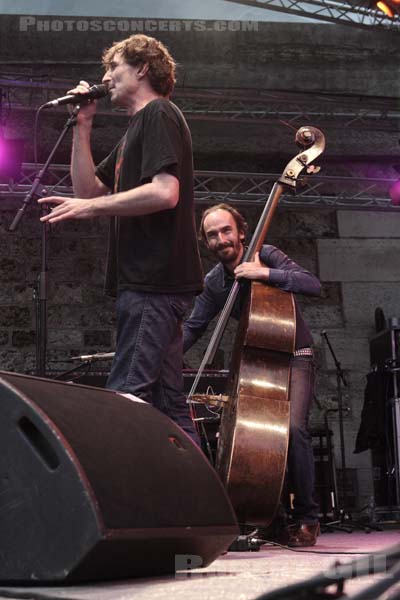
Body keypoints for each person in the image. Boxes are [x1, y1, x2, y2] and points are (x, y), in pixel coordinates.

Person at [39, 34, 203, 444]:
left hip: (154, 282)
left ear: (142, 68)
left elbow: (166, 192)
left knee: (125, 397)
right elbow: (89, 191)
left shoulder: (159, 114)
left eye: (114, 68)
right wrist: (83, 124)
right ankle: (204, 504)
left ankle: (117, 503)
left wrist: (91, 209)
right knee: (169, 407)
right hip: (154, 284)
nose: (106, 77)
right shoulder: (135, 130)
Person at [183, 203, 321, 546]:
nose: (220, 239)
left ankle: (308, 517)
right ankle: (275, 518)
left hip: (295, 356)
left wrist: (266, 275)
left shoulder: (268, 255)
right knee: (258, 440)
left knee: (292, 430)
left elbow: (312, 284)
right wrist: (160, 357)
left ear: (241, 231)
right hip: (256, 364)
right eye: (212, 235)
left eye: (226, 230)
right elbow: (194, 327)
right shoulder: (215, 282)